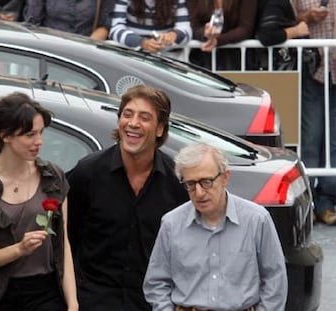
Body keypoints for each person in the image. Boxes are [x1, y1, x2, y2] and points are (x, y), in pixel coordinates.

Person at [67, 85, 189, 311]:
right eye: (127, 114)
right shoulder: (88, 173)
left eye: (145, 117)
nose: (133, 123)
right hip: (93, 302)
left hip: (152, 304)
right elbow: (66, 239)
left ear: (160, 128)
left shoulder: (176, 181)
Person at [0, 92, 79, 311]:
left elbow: (63, 244)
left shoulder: (53, 177)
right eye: (30, 134)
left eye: (41, 133)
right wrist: (19, 249)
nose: (39, 142)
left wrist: (73, 303)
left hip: (45, 293)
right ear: (6, 136)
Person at [143, 143, 288, 311]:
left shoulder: (256, 220)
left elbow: (275, 280)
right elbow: (156, 282)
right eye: (190, 184)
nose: (199, 193)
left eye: (206, 182)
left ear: (225, 177)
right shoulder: (172, 224)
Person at [293, 0, 336, 225]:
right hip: (313, 69)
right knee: (311, 138)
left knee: (334, 142)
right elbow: (286, 23)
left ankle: (327, 202)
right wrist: (307, 17)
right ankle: (307, 202)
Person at [187, 0, 257, 70]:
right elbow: (194, 26)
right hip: (202, 59)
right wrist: (205, 34)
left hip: (238, 58)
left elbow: (245, 29)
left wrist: (217, 41)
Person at [108, 0, 192, 57]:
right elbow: (115, 29)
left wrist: (173, 35)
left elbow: (186, 29)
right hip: (131, 55)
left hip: (170, 58)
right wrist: (142, 42)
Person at [23, 0, 115, 40]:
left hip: (86, 52)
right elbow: (32, 22)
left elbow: (105, 25)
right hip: (49, 48)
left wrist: (85, 51)